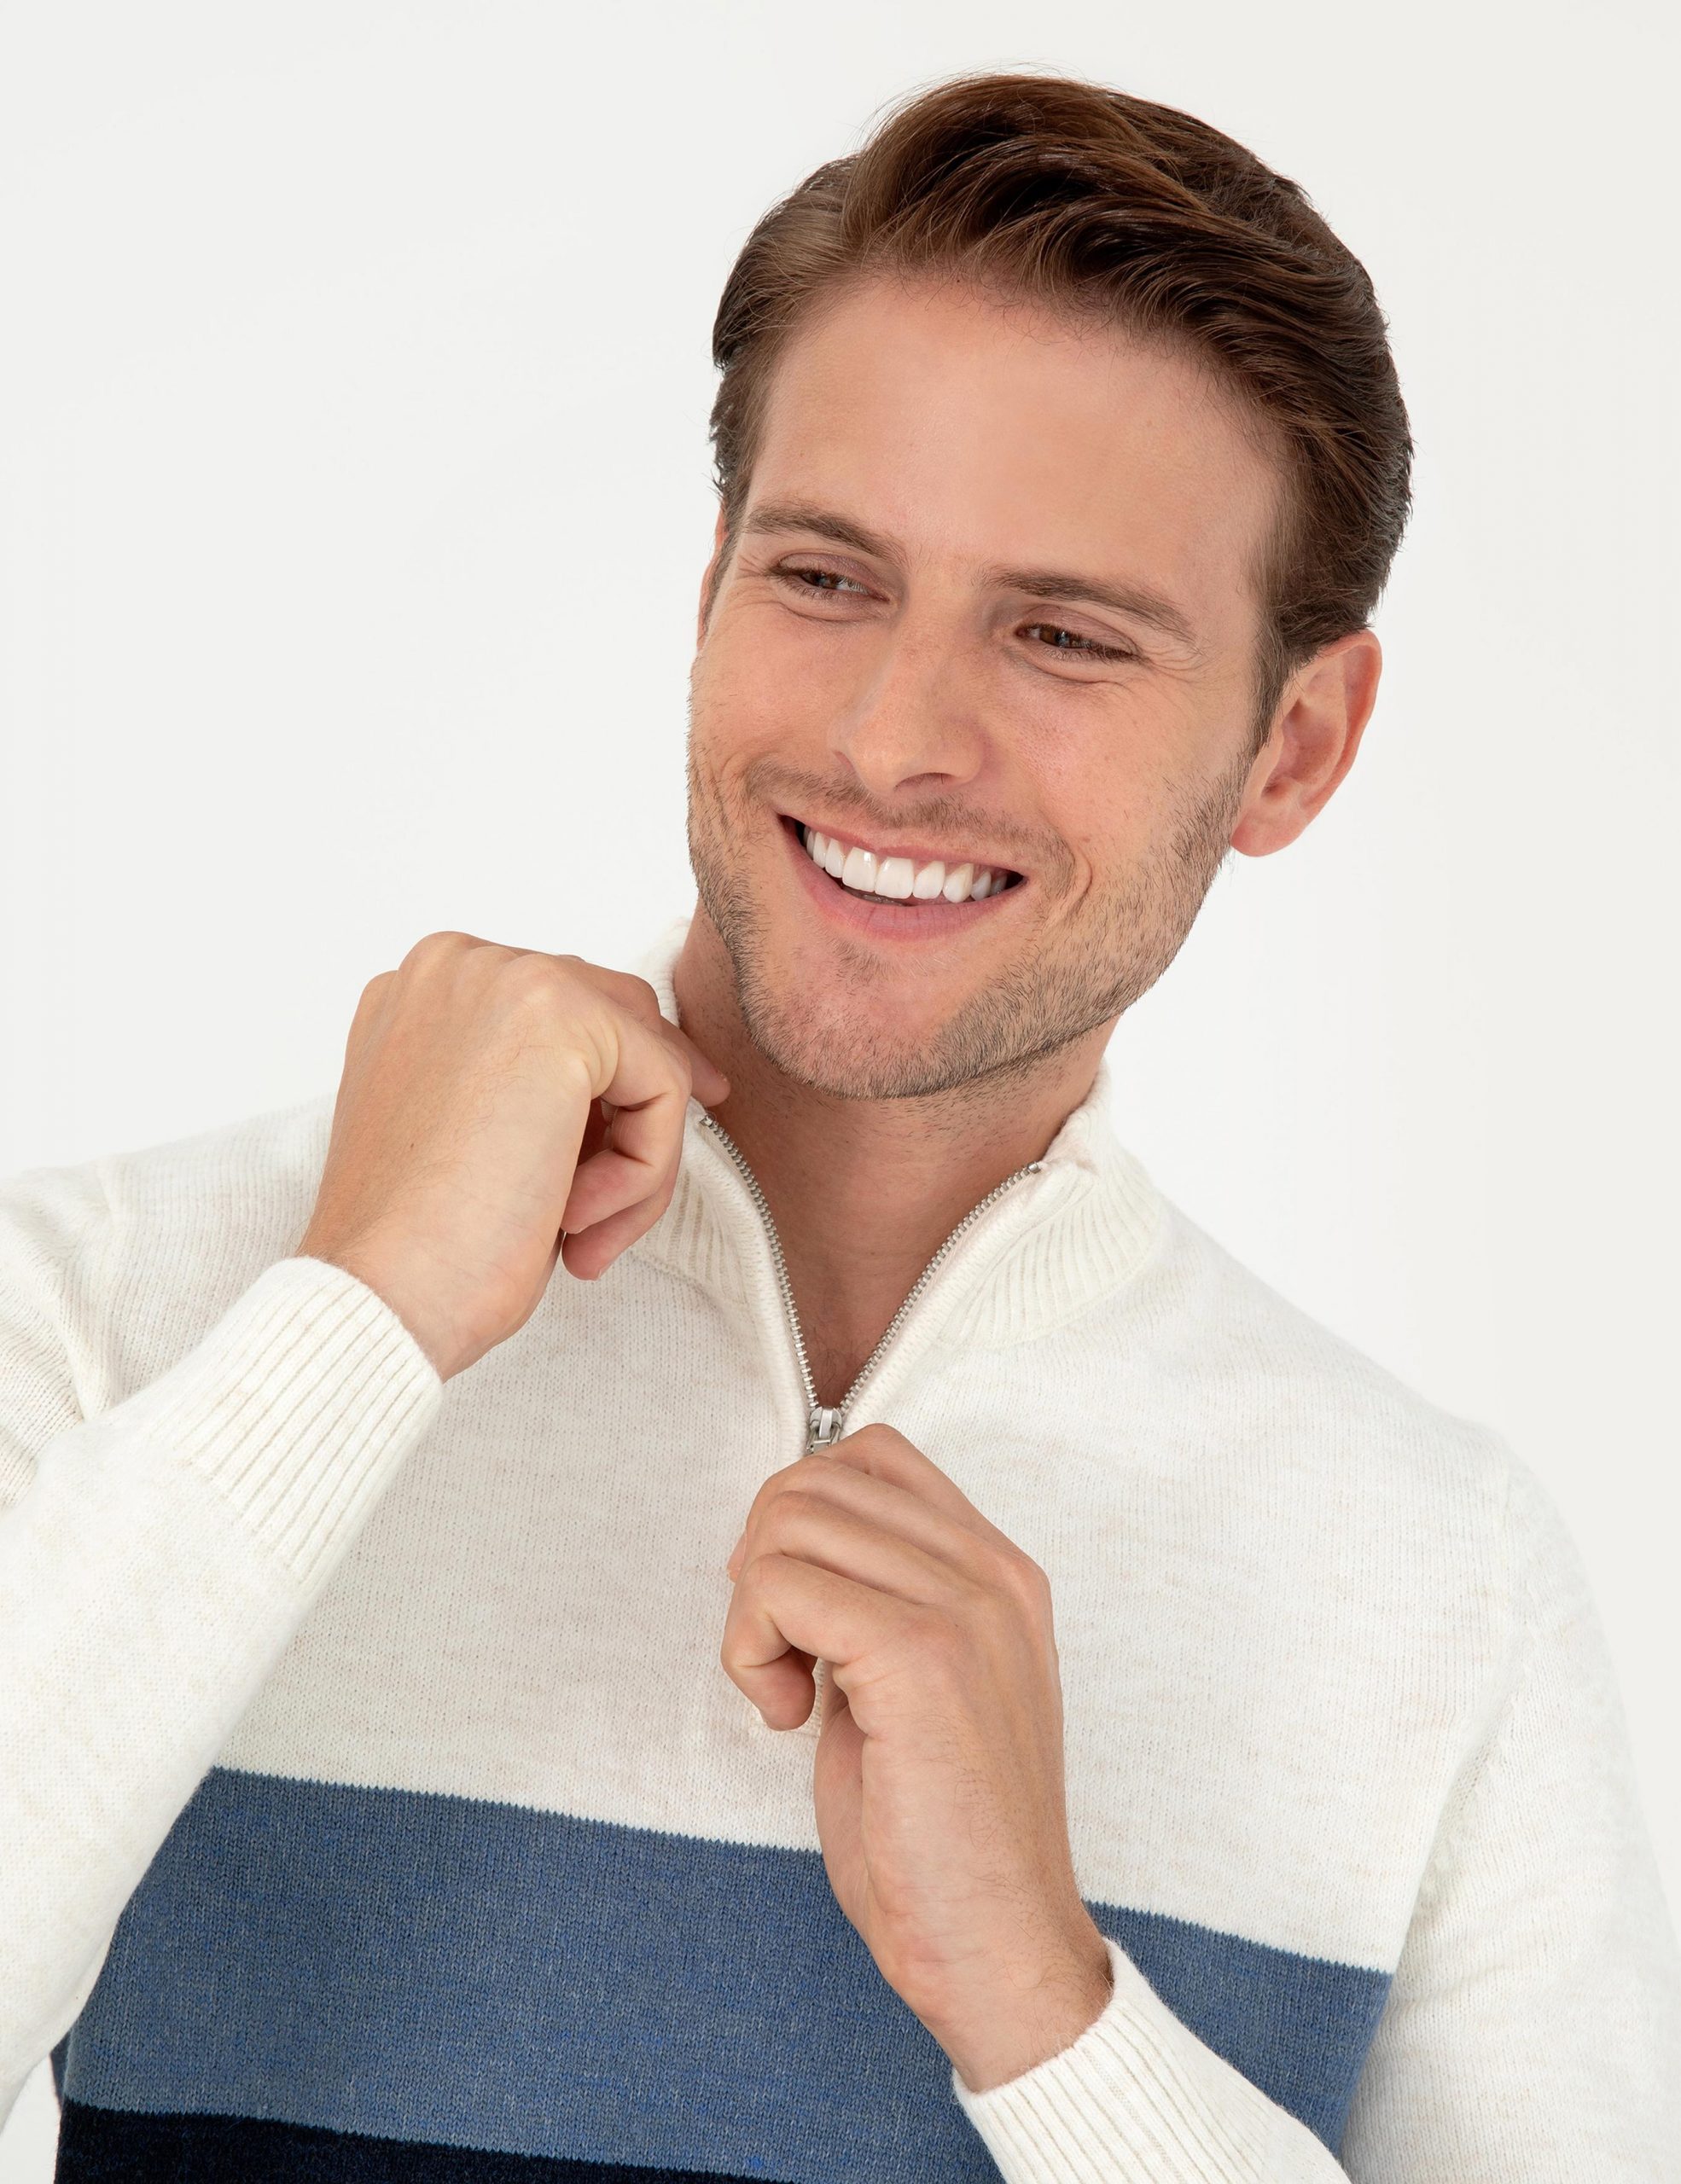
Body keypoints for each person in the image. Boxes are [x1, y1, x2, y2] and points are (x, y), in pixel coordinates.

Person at [2, 67, 1676, 2184]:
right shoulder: (114, 1318)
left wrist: (1052, 2016)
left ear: (1294, 745)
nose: (894, 739)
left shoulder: (1438, 1588)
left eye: (1060, 633)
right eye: (824, 576)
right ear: (711, 582)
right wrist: (351, 1330)